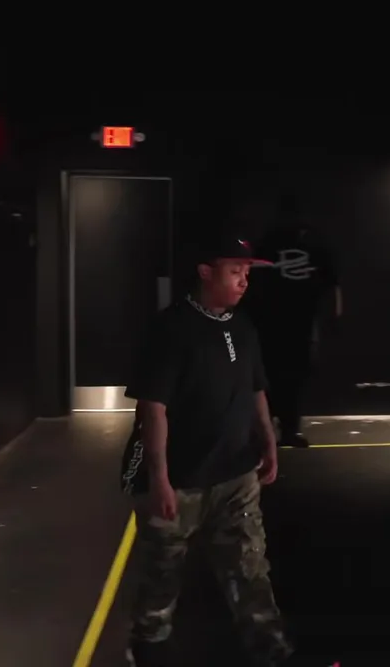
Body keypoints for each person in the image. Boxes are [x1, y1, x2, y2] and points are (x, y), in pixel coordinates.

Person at [118, 233, 296, 667]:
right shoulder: (171, 329)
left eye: (247, 272)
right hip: (180, 480)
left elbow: (255, 388)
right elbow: (152, 409)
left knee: (249, 566)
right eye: (235, 271)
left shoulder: (243, 326)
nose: (244, 281)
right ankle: (150, 644)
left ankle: (269, 645)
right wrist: (159, 478)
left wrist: (268, 441)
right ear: (205, 272)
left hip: (236, 473)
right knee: (162, 570)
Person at [247, 193, 342, 449]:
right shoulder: (285, 241)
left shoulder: (282, 241)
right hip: (282, 320)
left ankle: (284, 428)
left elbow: (331, 281)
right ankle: (281, 429)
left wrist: (333, 313)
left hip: (290, 320)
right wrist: (334, 313)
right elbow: (332, 282)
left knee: (287, 374)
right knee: (284, 374)